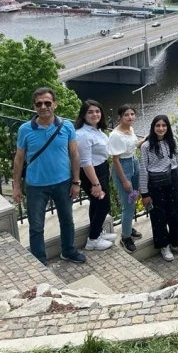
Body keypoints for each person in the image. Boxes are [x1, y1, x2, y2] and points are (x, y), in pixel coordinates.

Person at [13, 87, 86, 265]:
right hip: (36, 185)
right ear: (34, 106)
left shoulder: (66, 126)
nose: (43, 107)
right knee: (36, 226)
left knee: (67, 220)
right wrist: (16, 186)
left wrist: (76, 181)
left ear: (55, 104)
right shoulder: (25, 129)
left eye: (47, 103)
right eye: (39, 104)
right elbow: (19, 158)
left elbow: (75, 155)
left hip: (63, 182)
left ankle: (68, 251)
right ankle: (40, 259)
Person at [139, 115, 178, 262]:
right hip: (155, 183)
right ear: (153, 127)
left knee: (176, 216)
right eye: (158, 125)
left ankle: (175, 242)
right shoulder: (147, 146)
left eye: (164, 125)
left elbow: (177, 163)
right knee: (159, 217)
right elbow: (143, 169)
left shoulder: (172, 142)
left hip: (171, 181)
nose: (161, 128)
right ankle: (163, 246)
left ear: (167, 127)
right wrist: (144, 193)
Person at [74, 99, 116, 251]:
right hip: (92, 173)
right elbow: (85, 162)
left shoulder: (96, 130)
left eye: (97, 111)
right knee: (104, 205)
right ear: (83, 115)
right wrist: (95, 183)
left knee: (96, 203)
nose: (95, 114)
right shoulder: (83, 135)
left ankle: (97, 233)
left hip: (101, 169)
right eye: (90, 112)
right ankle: (92, 240)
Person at [108, 104, 144, 253]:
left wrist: (144, 139)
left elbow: (132, 145)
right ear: (120, 117)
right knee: (128, 202)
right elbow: (116, 159)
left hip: (134, 162)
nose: (130, 117)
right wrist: (124, 180)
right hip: (123, 167)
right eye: (126, 115)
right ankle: (125, 236)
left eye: (132, 114)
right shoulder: (115, 135)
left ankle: (127, 226)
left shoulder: (130, 129)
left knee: (134, 197)